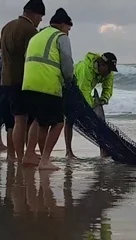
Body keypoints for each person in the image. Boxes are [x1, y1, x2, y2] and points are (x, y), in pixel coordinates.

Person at [22, 8, 74, 170]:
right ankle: (44, 160)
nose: (68, 32)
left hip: (28, 84)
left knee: (39, 120)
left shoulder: (37, 36)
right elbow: (66, 62)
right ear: (63, 25)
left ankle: (29, 155)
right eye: (69, 29)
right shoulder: (60, 37)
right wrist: (69, 80)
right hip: (47, 85)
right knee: (58, 122)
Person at [0, 0, 45, 163]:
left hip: (5, 81)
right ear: (34, 13)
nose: (40, 20)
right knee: (27, 120)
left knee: (14, 120)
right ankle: (27, 155)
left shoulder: (6, 27)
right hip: (23, 81)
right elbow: (32, 59)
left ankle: (17, 156)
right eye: (40, 17)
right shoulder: (31, 31)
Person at [64, 52, 118, 159]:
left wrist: (103, 99)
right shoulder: (86, 69)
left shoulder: (109, 72)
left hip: (83, 89)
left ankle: (103, 151)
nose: (109, 73)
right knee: (70, 119)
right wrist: (89, 112)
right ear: (102, 64)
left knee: (99, 120)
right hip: (70, 88)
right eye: (108, 69)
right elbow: (84, 92)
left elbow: (108, 88)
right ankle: (68, 151)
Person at [0, 48, 15, 159]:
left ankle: (4, 148)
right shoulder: (6, 58)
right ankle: (10, 153)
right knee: (10, 123)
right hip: (6, 89)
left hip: (3, 89)